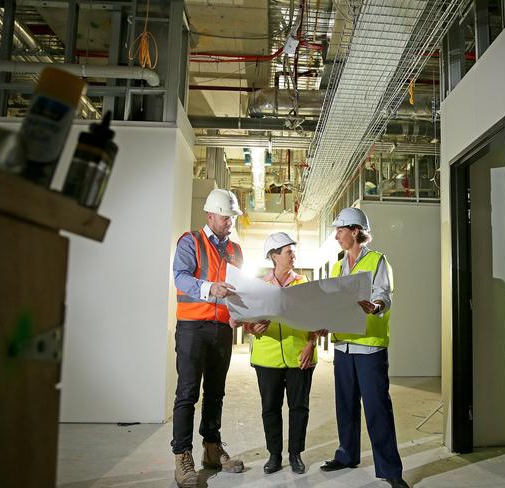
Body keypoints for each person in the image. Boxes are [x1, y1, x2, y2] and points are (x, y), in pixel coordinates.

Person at [320, 207, 410, 488]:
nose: (336, 235)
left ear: (355, 231)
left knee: (377, 409)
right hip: (343, 347)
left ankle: (391, 471)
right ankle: (347, 455)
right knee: (345, 406)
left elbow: (384, 295)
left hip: (369, 348)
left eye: (340, 230)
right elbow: (332, 303)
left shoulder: (377, 260)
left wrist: (376, 306)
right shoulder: (337, 266)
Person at [170, 189, 245, 488]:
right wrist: (209, 288)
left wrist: (240, 312)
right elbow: (180, 276)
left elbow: (239, 288)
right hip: (192, 327)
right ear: (210, 215)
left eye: (232, 218)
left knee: (216, 392)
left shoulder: (236, 250)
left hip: (222, 328)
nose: (230, 223)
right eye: (226, 217)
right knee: (187, 392)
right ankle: (182, 456)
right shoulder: (190, 241)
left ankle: (212, 450)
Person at [243, 232, 322, 475]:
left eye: (293, 251)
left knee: (299, 407)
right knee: (270, 408)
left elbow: (319, 318)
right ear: (274, 256)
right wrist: (252, 327)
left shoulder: (304, 283)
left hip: (300, 355)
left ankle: (295, 454)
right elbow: (247, 320)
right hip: (267, 359)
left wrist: (311, 343)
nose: (293, 255)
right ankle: (274, 455)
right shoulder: (260, 286)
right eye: (289, 251)